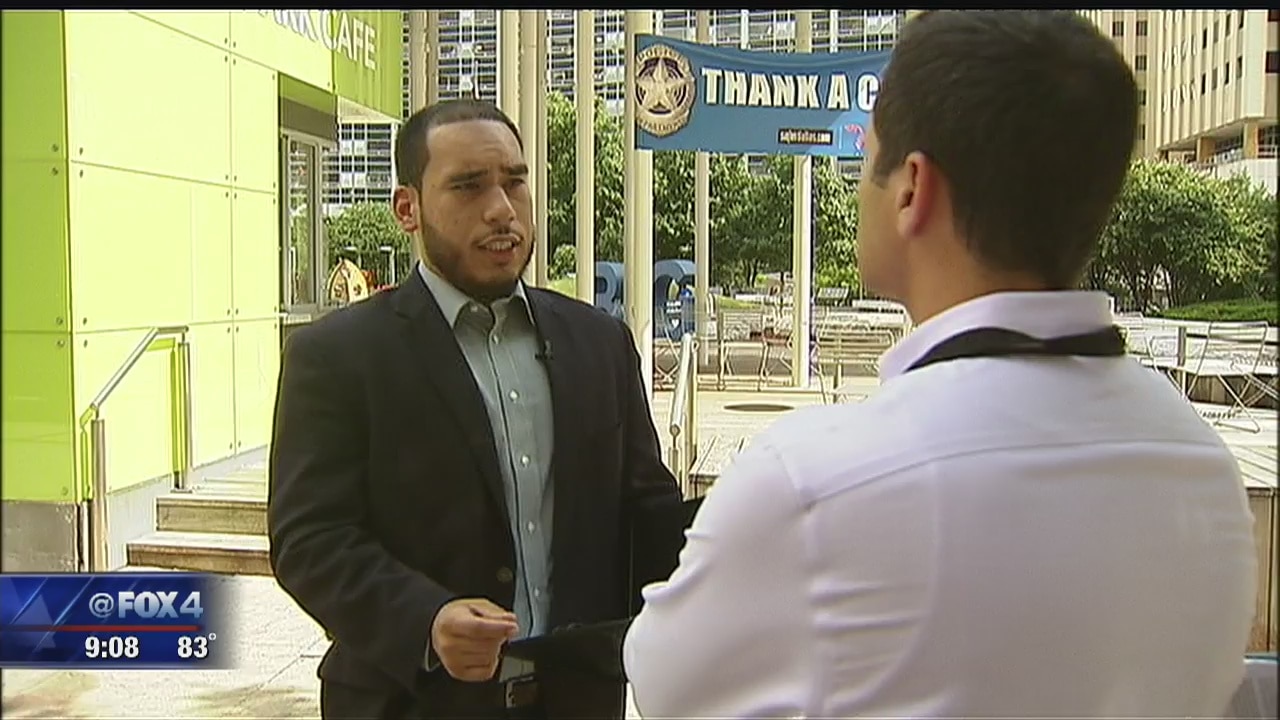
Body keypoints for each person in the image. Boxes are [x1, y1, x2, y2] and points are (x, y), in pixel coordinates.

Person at [622, 10, 1258, 719]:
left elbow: (661, 682)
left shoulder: (812, 485)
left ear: (912, 189)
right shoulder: (1204, 472)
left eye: (865, 160)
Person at [269, 98, 686, 719]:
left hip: (577, 699)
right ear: (407, 208)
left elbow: (646, 515)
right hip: (410, 704)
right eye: (468, 186)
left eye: (515, 182)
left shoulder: (600, 343)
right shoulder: (337, 356)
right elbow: (310, 540)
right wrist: (426, 621)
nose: (501, 209)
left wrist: (757, 518)